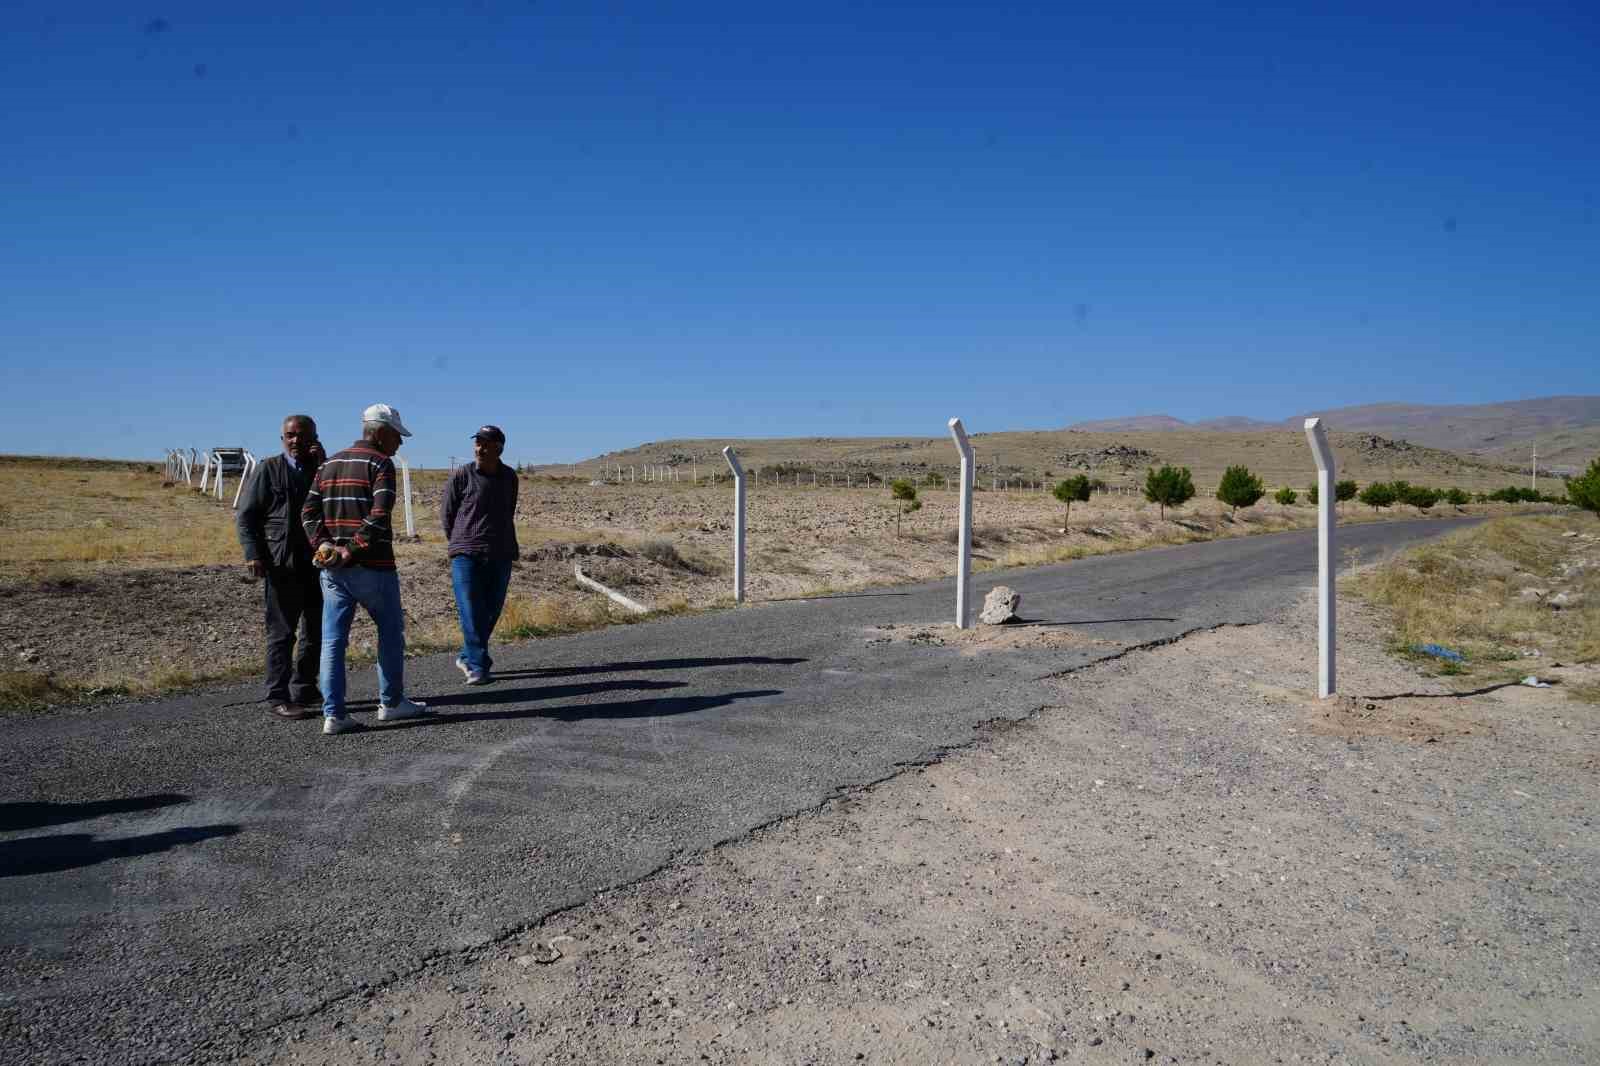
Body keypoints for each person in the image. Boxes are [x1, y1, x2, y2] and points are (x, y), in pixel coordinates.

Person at [301, 403, 429, 735]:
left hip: (333, 571)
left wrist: (324, 546)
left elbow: (309, 512)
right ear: (382, 432)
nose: (399, 443)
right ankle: (391, 702)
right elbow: (379, 515)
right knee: (389, 634)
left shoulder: (328, 464)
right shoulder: (380, 464)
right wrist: (351, 549)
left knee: (332, 641)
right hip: (374, 566)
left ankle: (334, 714)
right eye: (397, 436)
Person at [236, 415, 325, 719]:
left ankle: (305, 686)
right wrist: (253, 554)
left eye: (301, 435)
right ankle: (278, 695)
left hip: (317, 563)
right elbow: (246, 516)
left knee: (316, 629)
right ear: (282, 439)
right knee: (282, 632)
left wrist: (322, 465)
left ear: (314, 437)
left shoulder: (321, 469)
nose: (295, 441)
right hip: (281, 563)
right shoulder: (269, 469)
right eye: (289, 436)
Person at [441, 425, 520, 685]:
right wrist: (460, 540)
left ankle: (467, 655)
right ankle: (478, 665)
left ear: (499, 448)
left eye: (485, 444)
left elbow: (508, 509)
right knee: (470, 610)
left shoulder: (510, 477)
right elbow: (447, 514)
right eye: (477, 443)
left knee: (490, 611)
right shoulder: (462, 475)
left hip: (501, 552)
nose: (479, 448)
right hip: (466, 553)